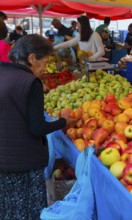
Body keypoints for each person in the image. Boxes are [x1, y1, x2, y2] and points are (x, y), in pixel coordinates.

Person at [0, 34, 75, 219]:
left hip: (3, 160)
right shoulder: (31, 83)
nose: (44, 68)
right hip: (24, 162)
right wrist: (63, 122)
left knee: (8, 210)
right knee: (28, 210)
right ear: (32, 58)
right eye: (44, 62)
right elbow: (37, 128)